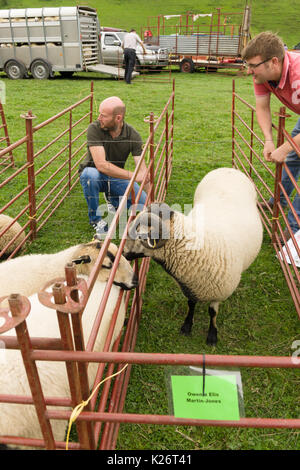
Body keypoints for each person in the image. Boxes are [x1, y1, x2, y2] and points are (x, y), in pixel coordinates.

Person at [242, 31, 300, 240]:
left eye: (253, 65)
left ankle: (295, 228)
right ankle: (279, 200)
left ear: (274, 62)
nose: (249, 72)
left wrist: (285, 147)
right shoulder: (262, 76)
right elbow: (262, 107)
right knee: (293, 156)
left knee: (291, 150)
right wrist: (268, 139)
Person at [79, 96, 149, 238]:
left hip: (116, 177)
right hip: (96, 175)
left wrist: (151, 202)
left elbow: (143, 171)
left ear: (118, 118)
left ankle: (113, 198)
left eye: (103, 116)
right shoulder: (95, 128)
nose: (99, 118)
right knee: (89, 175)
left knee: (143, 205)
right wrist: (133, 176)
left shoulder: (133, 135)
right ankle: (96, 220)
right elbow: (101, 165)